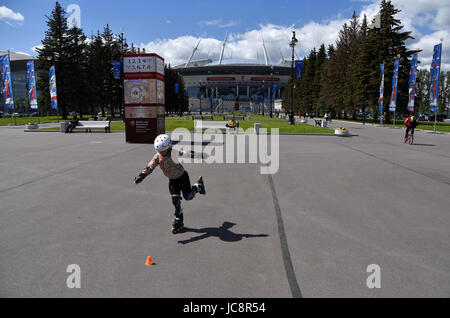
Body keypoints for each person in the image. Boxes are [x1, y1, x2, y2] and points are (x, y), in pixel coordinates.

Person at [134, 134, 206, 234]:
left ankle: (198, 186)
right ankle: (178, 219)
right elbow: (149, 167)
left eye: (162, 151)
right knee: (175, 200)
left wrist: (199, 155)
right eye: (159, 151)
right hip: (172, 181)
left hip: (182, 177)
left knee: (188, 196)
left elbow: (187, 154)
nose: (161, 153)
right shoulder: (157, 157)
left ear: (168, 147)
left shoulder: (174, 153)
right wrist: (141, 176)